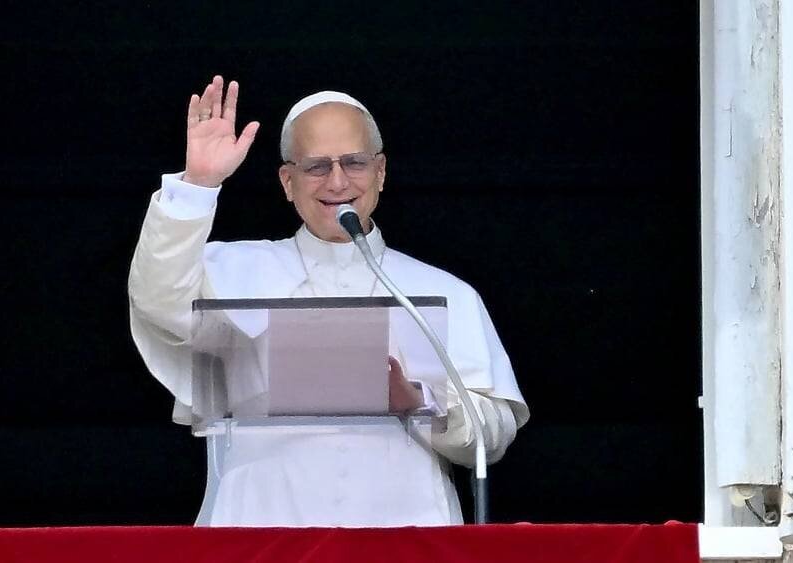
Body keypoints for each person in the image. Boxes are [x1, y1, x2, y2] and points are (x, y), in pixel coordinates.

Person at [128, 75, 529, 526]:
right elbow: (157, 302)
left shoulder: (446, 293)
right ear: (287, 181)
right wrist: (198, 185)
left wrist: (418, 401)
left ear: (380, 171)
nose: (337, 181)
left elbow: (493, 436)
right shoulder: (230, 271)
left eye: (354, 162)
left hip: (406, 537)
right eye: (316, 166)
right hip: (260, 532)